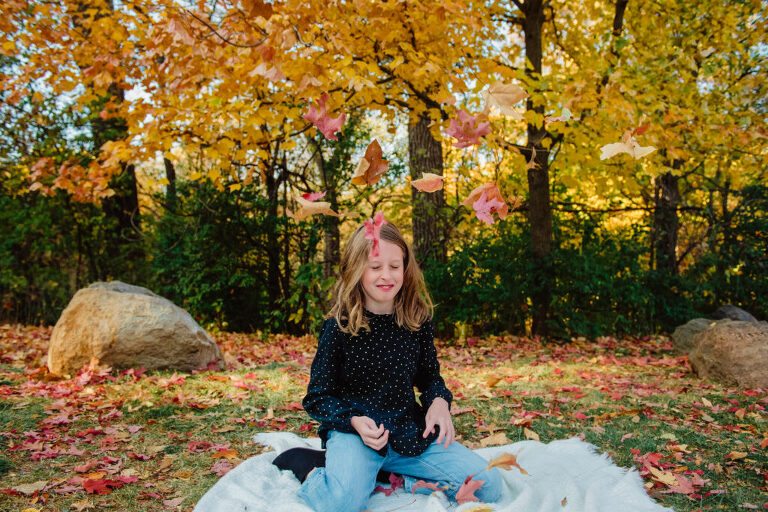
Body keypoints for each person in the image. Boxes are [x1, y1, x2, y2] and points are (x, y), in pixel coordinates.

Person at [273, 218, 503, 512]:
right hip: (356, 435)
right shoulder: (338, 328)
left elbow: (430, 378)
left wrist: (438, 402)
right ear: (356, 269)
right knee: (342, 505)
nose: (386, 275)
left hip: (408, 433)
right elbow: (318, 396)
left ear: (406, 268)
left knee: (488, 485)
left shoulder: (416, 322)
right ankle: (313, 468)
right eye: (375, 267)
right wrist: (353, 421)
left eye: (395, 266)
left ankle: (388, 476)